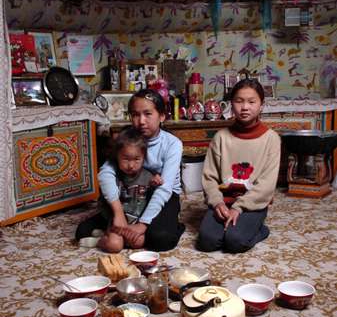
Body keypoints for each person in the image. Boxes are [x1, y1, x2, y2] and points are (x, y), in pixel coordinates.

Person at [75, 89, 184, 252]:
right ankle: (116, 222)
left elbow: (165, 188)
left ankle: (173, 223)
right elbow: (105, 173)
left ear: (161, 116)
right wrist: (118, 212)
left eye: (148, 114)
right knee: (81, 232)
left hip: (159, 194)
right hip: (128, 193)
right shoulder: (126, 138)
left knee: (160, 240)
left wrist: (142, 224)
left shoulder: (172, 144)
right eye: (135, 114)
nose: (141, 121)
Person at [198, 78, 281, 253]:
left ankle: (261, 229)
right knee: (207, 242)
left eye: (252, 102)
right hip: (224, 200)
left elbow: (266, 185)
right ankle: (234, 225)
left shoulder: (271, 139)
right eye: (239, 101)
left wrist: (239, 207)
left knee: (235, 242)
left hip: (252, 203)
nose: (245, 107)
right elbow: (209, 177)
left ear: (261, 105)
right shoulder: (221, 137)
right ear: (231, 104)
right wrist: (217, 203)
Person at [96, 126, 161, 252]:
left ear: (144, 158)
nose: (131, 165)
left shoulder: (148, 175)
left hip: (136, 223)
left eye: (137, 159)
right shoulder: (114, 175)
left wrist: (155, 183)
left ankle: (119, 240)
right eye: (125, 159)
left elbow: (155, 196)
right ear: (117, 156)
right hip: (118, 222)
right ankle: (102, 240)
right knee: (114, 246)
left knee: (139, 243)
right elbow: (105, 193)